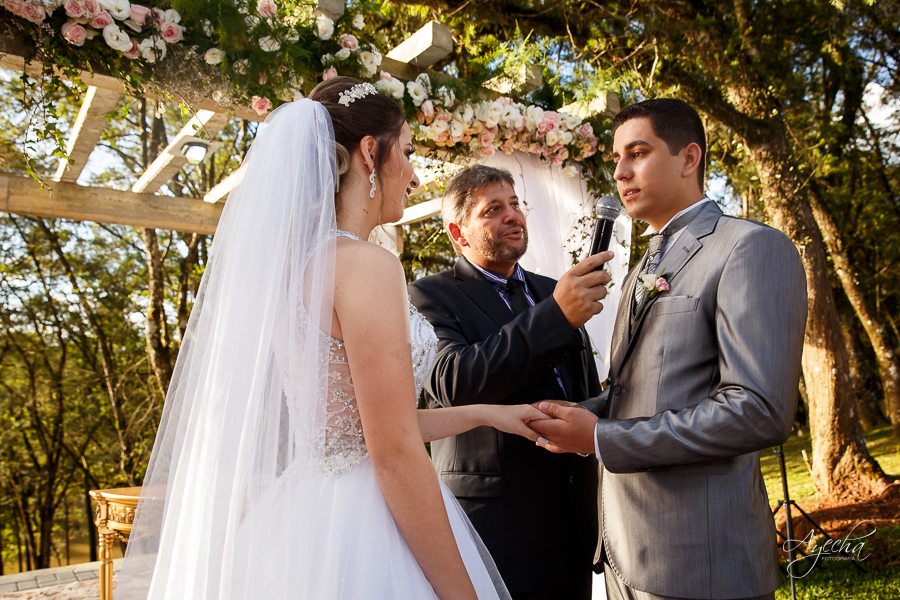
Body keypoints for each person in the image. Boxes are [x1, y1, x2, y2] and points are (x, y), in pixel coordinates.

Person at [114, 77, 553, 600]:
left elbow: (367, 426)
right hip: (365, 521)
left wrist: (489, 414)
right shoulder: (365, 266)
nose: (414, 175)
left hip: (305, 513)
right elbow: (391, 454)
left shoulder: (296, 267)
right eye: (408, 153)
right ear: (370, 152)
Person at [530, 98, 808, 600]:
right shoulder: (639, 268)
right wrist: (581, 413)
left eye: (637, 153)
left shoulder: (748, 247)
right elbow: (643, 392)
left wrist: (601, 438)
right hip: (622, 555)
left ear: (688, 158)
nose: (620, 172)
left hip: (701, 562)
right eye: (616, 158)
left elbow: (759, 410)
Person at [408, 165, 611, 600]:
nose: (513, 216)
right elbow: (452, 381)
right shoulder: (427, 295)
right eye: (493, 209)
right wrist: (556, 316)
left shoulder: (552, 289)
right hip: (493, 521)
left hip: (573, 513)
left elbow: (582, 388)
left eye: (516, 204)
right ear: (458, 233)